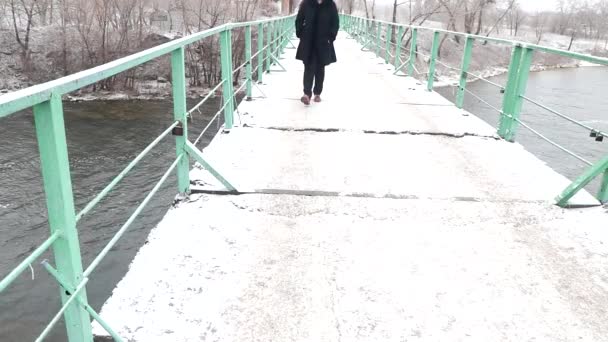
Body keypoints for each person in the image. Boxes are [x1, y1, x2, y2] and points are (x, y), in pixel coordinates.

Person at [295, 0, 339, 105]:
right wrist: (301, 33)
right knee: (308, 66)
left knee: (320, 67)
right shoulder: (306, 3)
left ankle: (317, 93)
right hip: (308, 41)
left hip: (323, 41)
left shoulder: (330, 4)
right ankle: (306, 94)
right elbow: (299, 20)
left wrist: (331, 36)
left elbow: (335, 22)